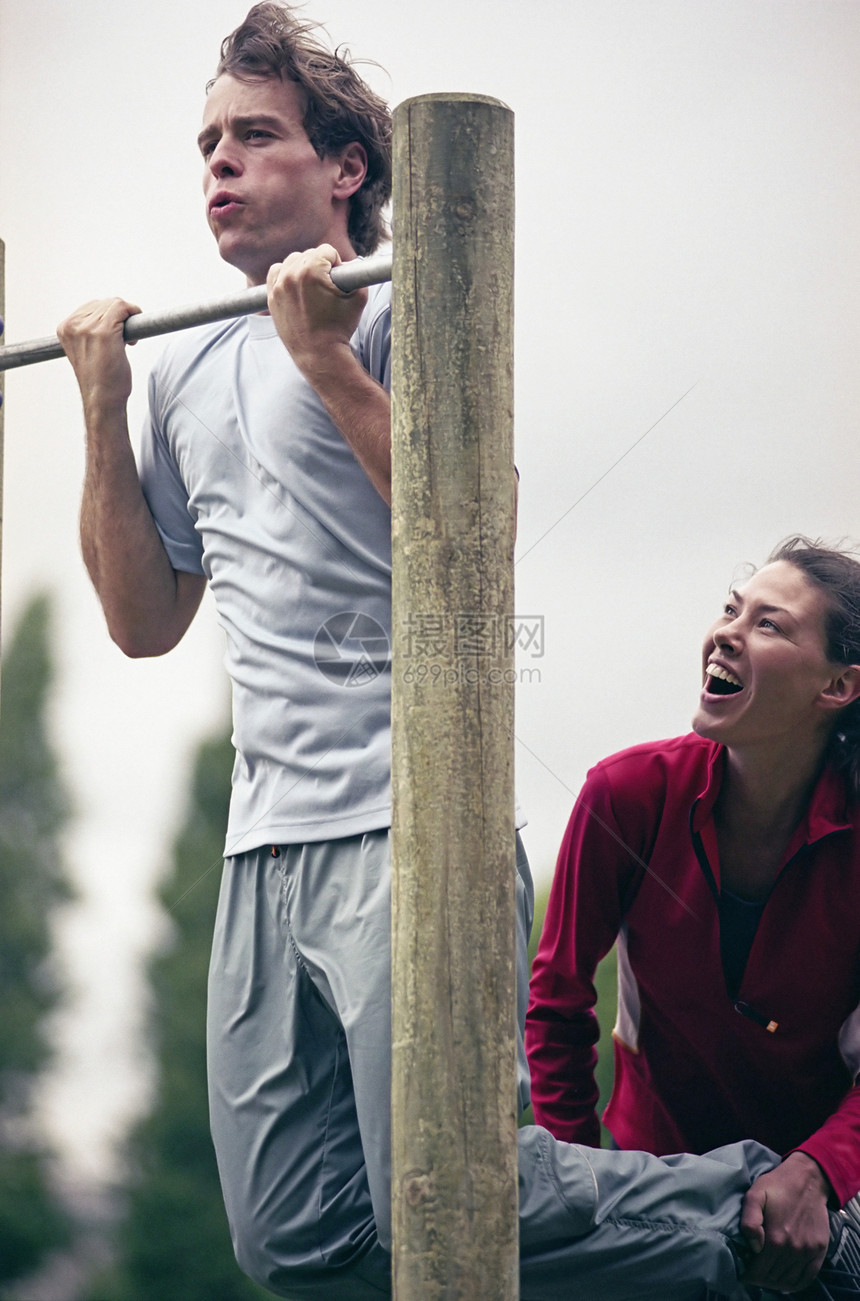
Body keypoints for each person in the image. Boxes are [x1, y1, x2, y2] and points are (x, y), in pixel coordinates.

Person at [56, 4, 860, 1296]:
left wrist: (325, 361)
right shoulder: (184, 365)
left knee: (461, 1189)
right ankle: (739, 1230)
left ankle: (768, 1213)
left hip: (406, 819)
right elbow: (144, 624)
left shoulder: (397, 311)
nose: (217, 163)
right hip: (265, 844)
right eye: (206, 140)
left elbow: (476, 538)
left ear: (346, 170)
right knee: (297, 1241)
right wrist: (102, 407)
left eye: (254, 138)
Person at [527, 536, 860, 1297]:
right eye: (731, 609)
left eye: (769, 625)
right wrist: (577, 1189)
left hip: (824, 1198)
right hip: (646, 1181)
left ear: (839, 684)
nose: (728, 632)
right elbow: (558, 1004)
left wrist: (818, 1169)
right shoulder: (625, 795)